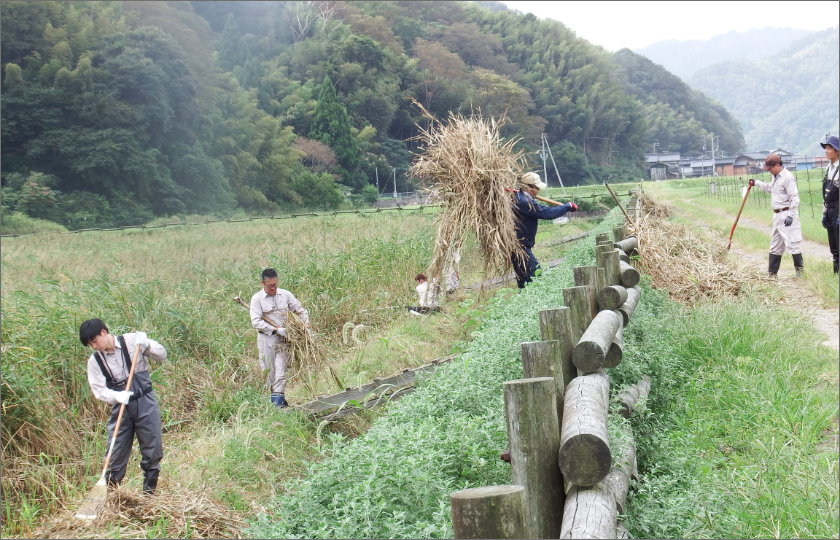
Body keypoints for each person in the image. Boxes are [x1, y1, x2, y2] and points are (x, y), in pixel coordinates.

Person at [79, 318, 167, 495]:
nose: (94, 346)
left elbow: (162, 355)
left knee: (152, 449)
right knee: (115, 452)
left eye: (95, 341)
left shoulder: (133, 341)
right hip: (121, 407)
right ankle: (109, 498)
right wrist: (116, 395)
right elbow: (99, 390)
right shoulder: (95, 361)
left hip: (145, 402)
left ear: (104, 332)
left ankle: (148, 496)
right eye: (90, 345)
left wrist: (147, 344)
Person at [250, 268, 309, 408]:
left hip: (284, 341)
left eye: (275, 285)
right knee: (270, 374)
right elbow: (256, 322)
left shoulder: (285, 295)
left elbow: (301, 311)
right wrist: (275, 330)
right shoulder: (257, 299)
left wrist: (304, 325)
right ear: (262, 283)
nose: (273, 288)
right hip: (267, 340)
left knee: (281, 372)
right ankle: (279, 403)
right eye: (270, 286)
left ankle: (278, 407)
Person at [511, 172, 578, 288]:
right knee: (536, 279)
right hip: (520, 246)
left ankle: (527, 302)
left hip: (519, 245)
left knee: (525, 282)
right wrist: (567, 206)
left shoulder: (520, 197)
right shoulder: (525, 201)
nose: (538, 190)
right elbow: (546, 213)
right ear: (529, 187)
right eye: (537, 188)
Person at [749, 153, 803, 277]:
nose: (769, 171)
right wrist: (756, 182)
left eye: (770, 168)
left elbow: (794, 198)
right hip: (777, 215)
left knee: (792, 244)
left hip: (787, 214)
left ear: (777, 165)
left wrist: (791, 215)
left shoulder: (787, 178)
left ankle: (800, 273)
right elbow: (769, 188)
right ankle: (772, 274)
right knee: (775, 245)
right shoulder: (776, 177)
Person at [820, 136, 839, 273]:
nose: (826, 151)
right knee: (833, 245)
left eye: (829, 148)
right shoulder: (829, 168)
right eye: (825, 148)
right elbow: (826, 193)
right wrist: (824, 212)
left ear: (837, 151)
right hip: (830, 209)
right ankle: (836, 274)